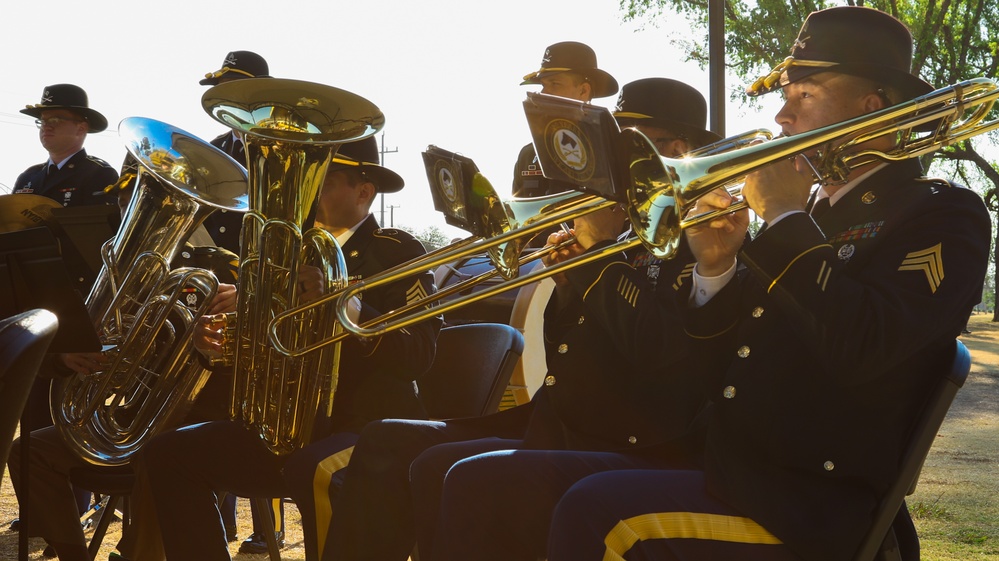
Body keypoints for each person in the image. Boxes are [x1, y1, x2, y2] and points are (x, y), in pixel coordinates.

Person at [542, 7, 991, 561]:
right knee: (494, 483)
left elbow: (866, 345)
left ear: (869, 108)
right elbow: (708, 368)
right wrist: (715, 269)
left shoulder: (943, 213)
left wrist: (780, 214)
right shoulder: (808, 217)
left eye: (804, 96)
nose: (780, 116)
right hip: (728, 467)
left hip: (806, 501)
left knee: (589, 508)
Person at [326, 77, 721, 561]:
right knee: (393, 442)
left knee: (464, 475)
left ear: (674, 149)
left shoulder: (700, 240)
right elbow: (571, 345)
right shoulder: (625, 234)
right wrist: (573, 277)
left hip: (631, 437)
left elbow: (659, 355)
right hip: (560, 419)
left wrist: (596, 259)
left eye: (625, 146)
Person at [143, 136, 441, 561]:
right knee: (169, 455)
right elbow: (264, 348)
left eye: (327, 181)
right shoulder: (282, 253)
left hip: (370, 430)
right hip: (293, 431)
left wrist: (345, 305)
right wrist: (217, 344)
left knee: (312, 468)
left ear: (364, 191)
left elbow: (419, 356)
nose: (311, 194)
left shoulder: (397, 252)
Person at [7, 156, 240, 561]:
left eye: (139, 199)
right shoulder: (110, 269)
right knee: (28, 453)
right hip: (132, 418)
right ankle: (72, 554)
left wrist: (230, 311)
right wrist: (66, 358)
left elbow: (237, 358)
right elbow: (81, 344)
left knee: (165, 458)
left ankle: (138, 554)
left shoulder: (218, 269)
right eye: (127, 202)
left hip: (195, 418)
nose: (129, 211)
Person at [8, 83, 119, 538]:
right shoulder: (29, 178)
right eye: (42, 120)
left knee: (71, 409)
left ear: (82, 127)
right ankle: (41, 506)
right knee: (31, 403)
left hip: (80, 301)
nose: (46, 126)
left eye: (57, 119)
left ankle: (75, 505)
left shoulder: (100, 175)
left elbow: (107, 246)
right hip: (35, 297)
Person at [197, 49, 276, 550]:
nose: (221, 100)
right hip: (213, 295)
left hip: (266, 300)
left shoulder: (288, 147)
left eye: (234, 90)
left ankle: (263, 529)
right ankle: (209, 521)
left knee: (257, 413)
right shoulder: (211, 150)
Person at [513, 41, 618, 199]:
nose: (544, 93)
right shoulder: (528, 154)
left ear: (583, 91)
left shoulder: (612, 151)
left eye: (555, 84)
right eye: (543, 85)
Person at [198, 50, 270, 256]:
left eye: (234, 88)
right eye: (221, 90)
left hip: (259, 268)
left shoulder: (279, 149)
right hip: (214, 267)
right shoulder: (212, 149)